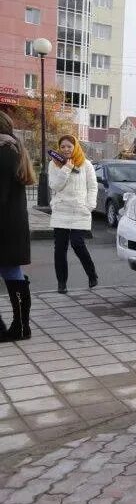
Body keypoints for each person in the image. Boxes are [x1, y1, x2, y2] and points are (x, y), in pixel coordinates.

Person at [0, 112, 36, 342]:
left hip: (4, 225)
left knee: (12, 272)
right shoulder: (11, 147)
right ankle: (20, 327)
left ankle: (20, 327)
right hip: (11, 225)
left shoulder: (4, 150)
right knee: (12, 272)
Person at [48, 135, 98, 294]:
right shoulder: (54, 164)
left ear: (75, 147)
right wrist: (66, 169)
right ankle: (61, 283)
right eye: (62, 147)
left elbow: (92, 187)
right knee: (60, 248)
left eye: (69, 146)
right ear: (59, 148)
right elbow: (55, 186)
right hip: (61, 210)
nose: (66, 149)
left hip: (79, 210)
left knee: (78, 244)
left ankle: (92, 274)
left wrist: (89, 206)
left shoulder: (86, 164)